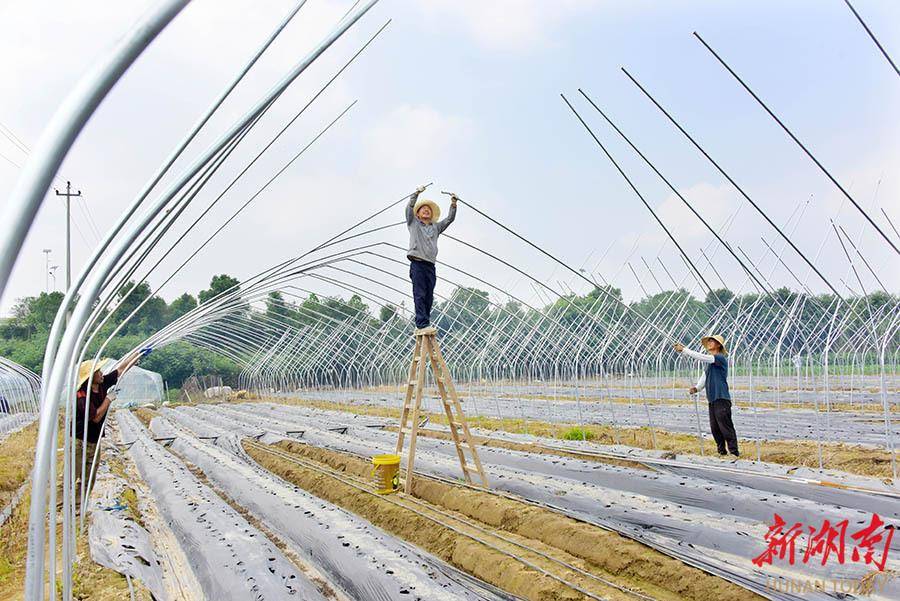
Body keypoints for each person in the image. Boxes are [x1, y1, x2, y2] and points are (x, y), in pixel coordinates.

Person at [74, 348, 150, 503]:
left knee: (89, 477)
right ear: (90, 377)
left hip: (94, 441)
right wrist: (108, 399)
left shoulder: (101, 384)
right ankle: (63, 509)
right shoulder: (82, 395)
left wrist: (138, 355)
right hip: (79, 442)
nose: (102, 373)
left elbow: (121, 369)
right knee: (73, 476)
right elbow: (95, 417)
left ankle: (79, 506)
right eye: (98, 372)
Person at [674, 334, 738, 457]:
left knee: (725, 426)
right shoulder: (710, 363)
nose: (709, 343)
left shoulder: (719, 358)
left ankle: (734, 452)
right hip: (712, 399)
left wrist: (685, 350)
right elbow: (704, 378)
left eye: (712, 341)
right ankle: (721, 452)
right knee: (715, 428)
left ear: (718, 345)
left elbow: (702, 357)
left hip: (721, 398)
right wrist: (697, 388)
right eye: (708, 341)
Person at [406, 186, 458, 331]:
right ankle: (421, 324)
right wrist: (415, 194)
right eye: (423, 209)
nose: (426, 211)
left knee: (429, 295)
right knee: (420, 294)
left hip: (430, 265)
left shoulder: (436, 227)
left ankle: (426, 322)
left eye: (428, 209)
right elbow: (409, 209)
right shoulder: (414, 224)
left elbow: (449, 220)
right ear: (418, 213)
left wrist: (453, 204)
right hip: (417, 263)